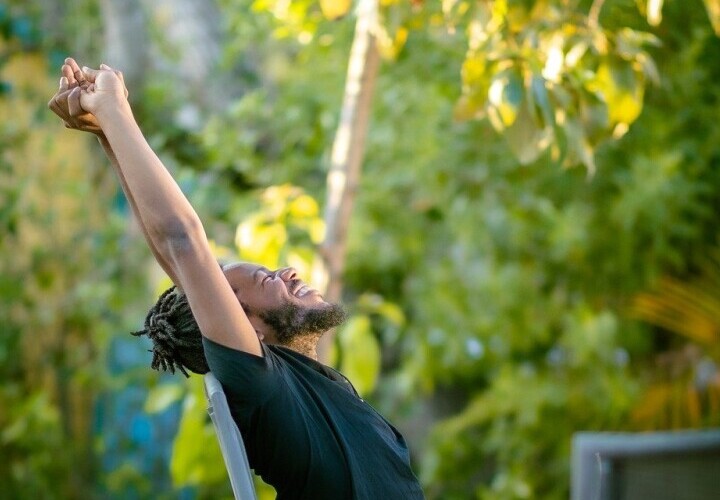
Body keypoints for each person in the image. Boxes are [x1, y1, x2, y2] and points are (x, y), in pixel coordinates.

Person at [48, 58, 424, 499]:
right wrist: (116, 109)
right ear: (249, 332)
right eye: (268, 281)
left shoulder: (308, 384)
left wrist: (108, 133)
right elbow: (182, 244)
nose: (287, 272)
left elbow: (183, 268)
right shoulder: (264, 388)